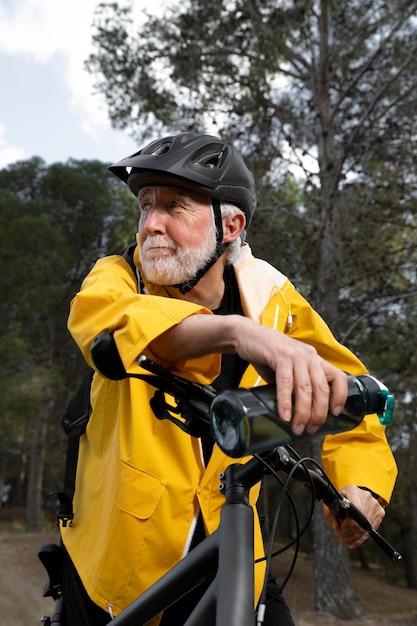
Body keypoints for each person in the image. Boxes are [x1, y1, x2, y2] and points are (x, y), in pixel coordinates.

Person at [60, 132, 397, 626]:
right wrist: (238, 334)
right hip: (118, 572)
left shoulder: (272, 298)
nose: (151, 223)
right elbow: (112, 329)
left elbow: (350, 390)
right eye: (145, 206)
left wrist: (363, 486)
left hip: (236, 554)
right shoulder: (116, 277)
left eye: (175, 206)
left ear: (231, 224)